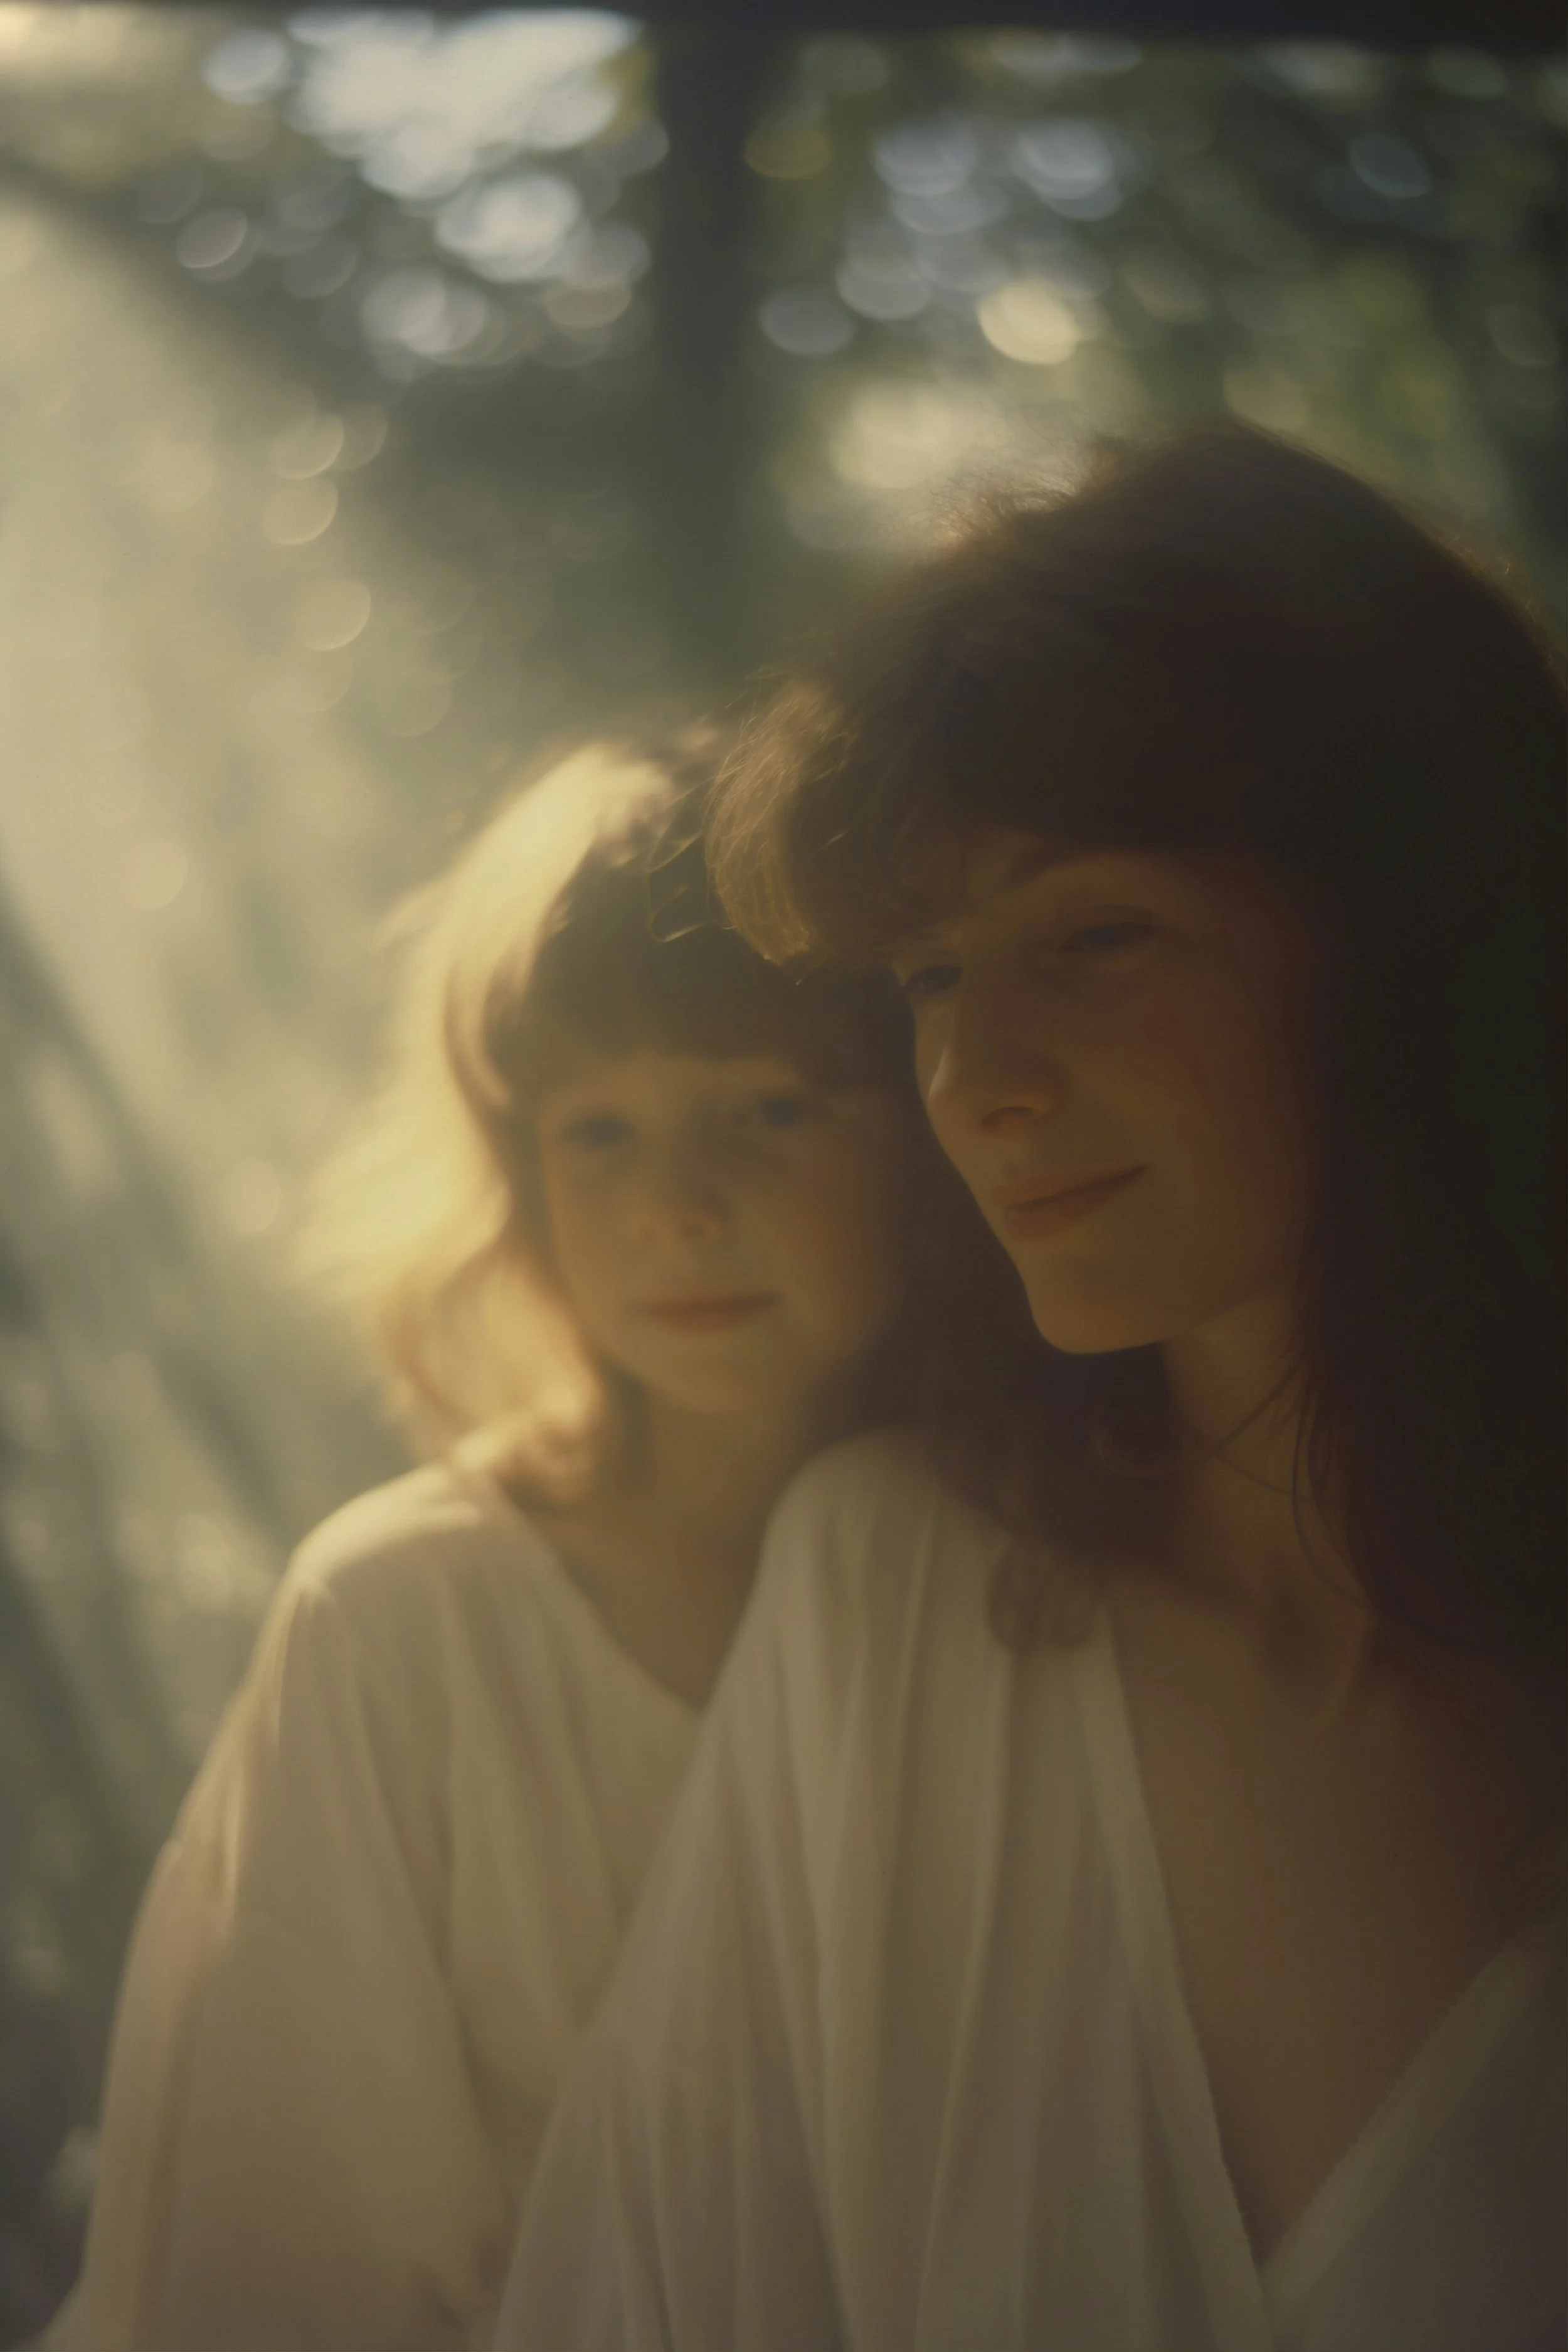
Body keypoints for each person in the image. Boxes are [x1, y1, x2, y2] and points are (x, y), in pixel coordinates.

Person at [496, 432, 1567, 2352]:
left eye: (1086, 934)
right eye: (922, 975)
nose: (975, 1076)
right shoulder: (888, 1602)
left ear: (1405, 939)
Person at [48, 737, 922, 2352]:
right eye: (598, 1130)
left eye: (767, 1106)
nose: (675, 1201)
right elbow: (290, 2258)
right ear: (512, 1172)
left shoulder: (1012, 1580)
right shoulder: (402, 1620)